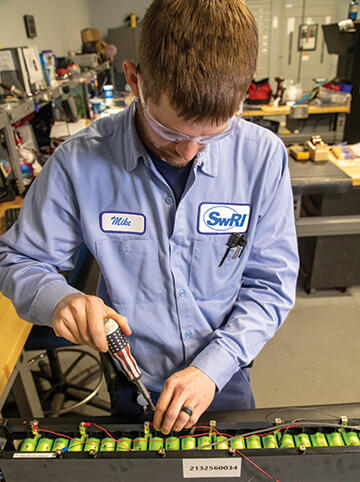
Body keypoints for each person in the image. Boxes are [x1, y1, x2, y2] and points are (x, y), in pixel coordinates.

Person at [0, 0, 298, 435]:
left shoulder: (262, 157)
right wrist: (60, 299)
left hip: (224, 380)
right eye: (173, 131)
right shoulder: (78, 163)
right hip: (130, 378)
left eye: (212, 135)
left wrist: (212, 369)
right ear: (134, 80)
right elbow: (19, 261)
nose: (189, 151)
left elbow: (271, 284)